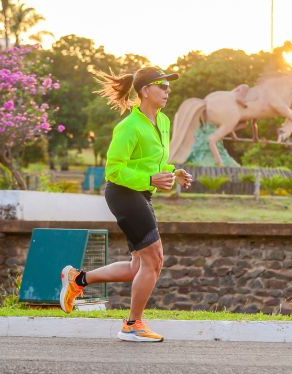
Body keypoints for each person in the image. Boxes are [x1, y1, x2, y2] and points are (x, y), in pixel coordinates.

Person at [59, 66, 193, 342]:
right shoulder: (128, 127)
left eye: (169, 86)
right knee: (154, 260)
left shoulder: (163, 122)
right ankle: (132, 324)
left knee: (138, 267)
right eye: (162, 86)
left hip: (141, 193)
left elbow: (148, 162)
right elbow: (114, 170)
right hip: (123, 194)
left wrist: (172, 172)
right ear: (145, 91)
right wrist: (150, 178)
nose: (168, 90)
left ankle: (78, 280)